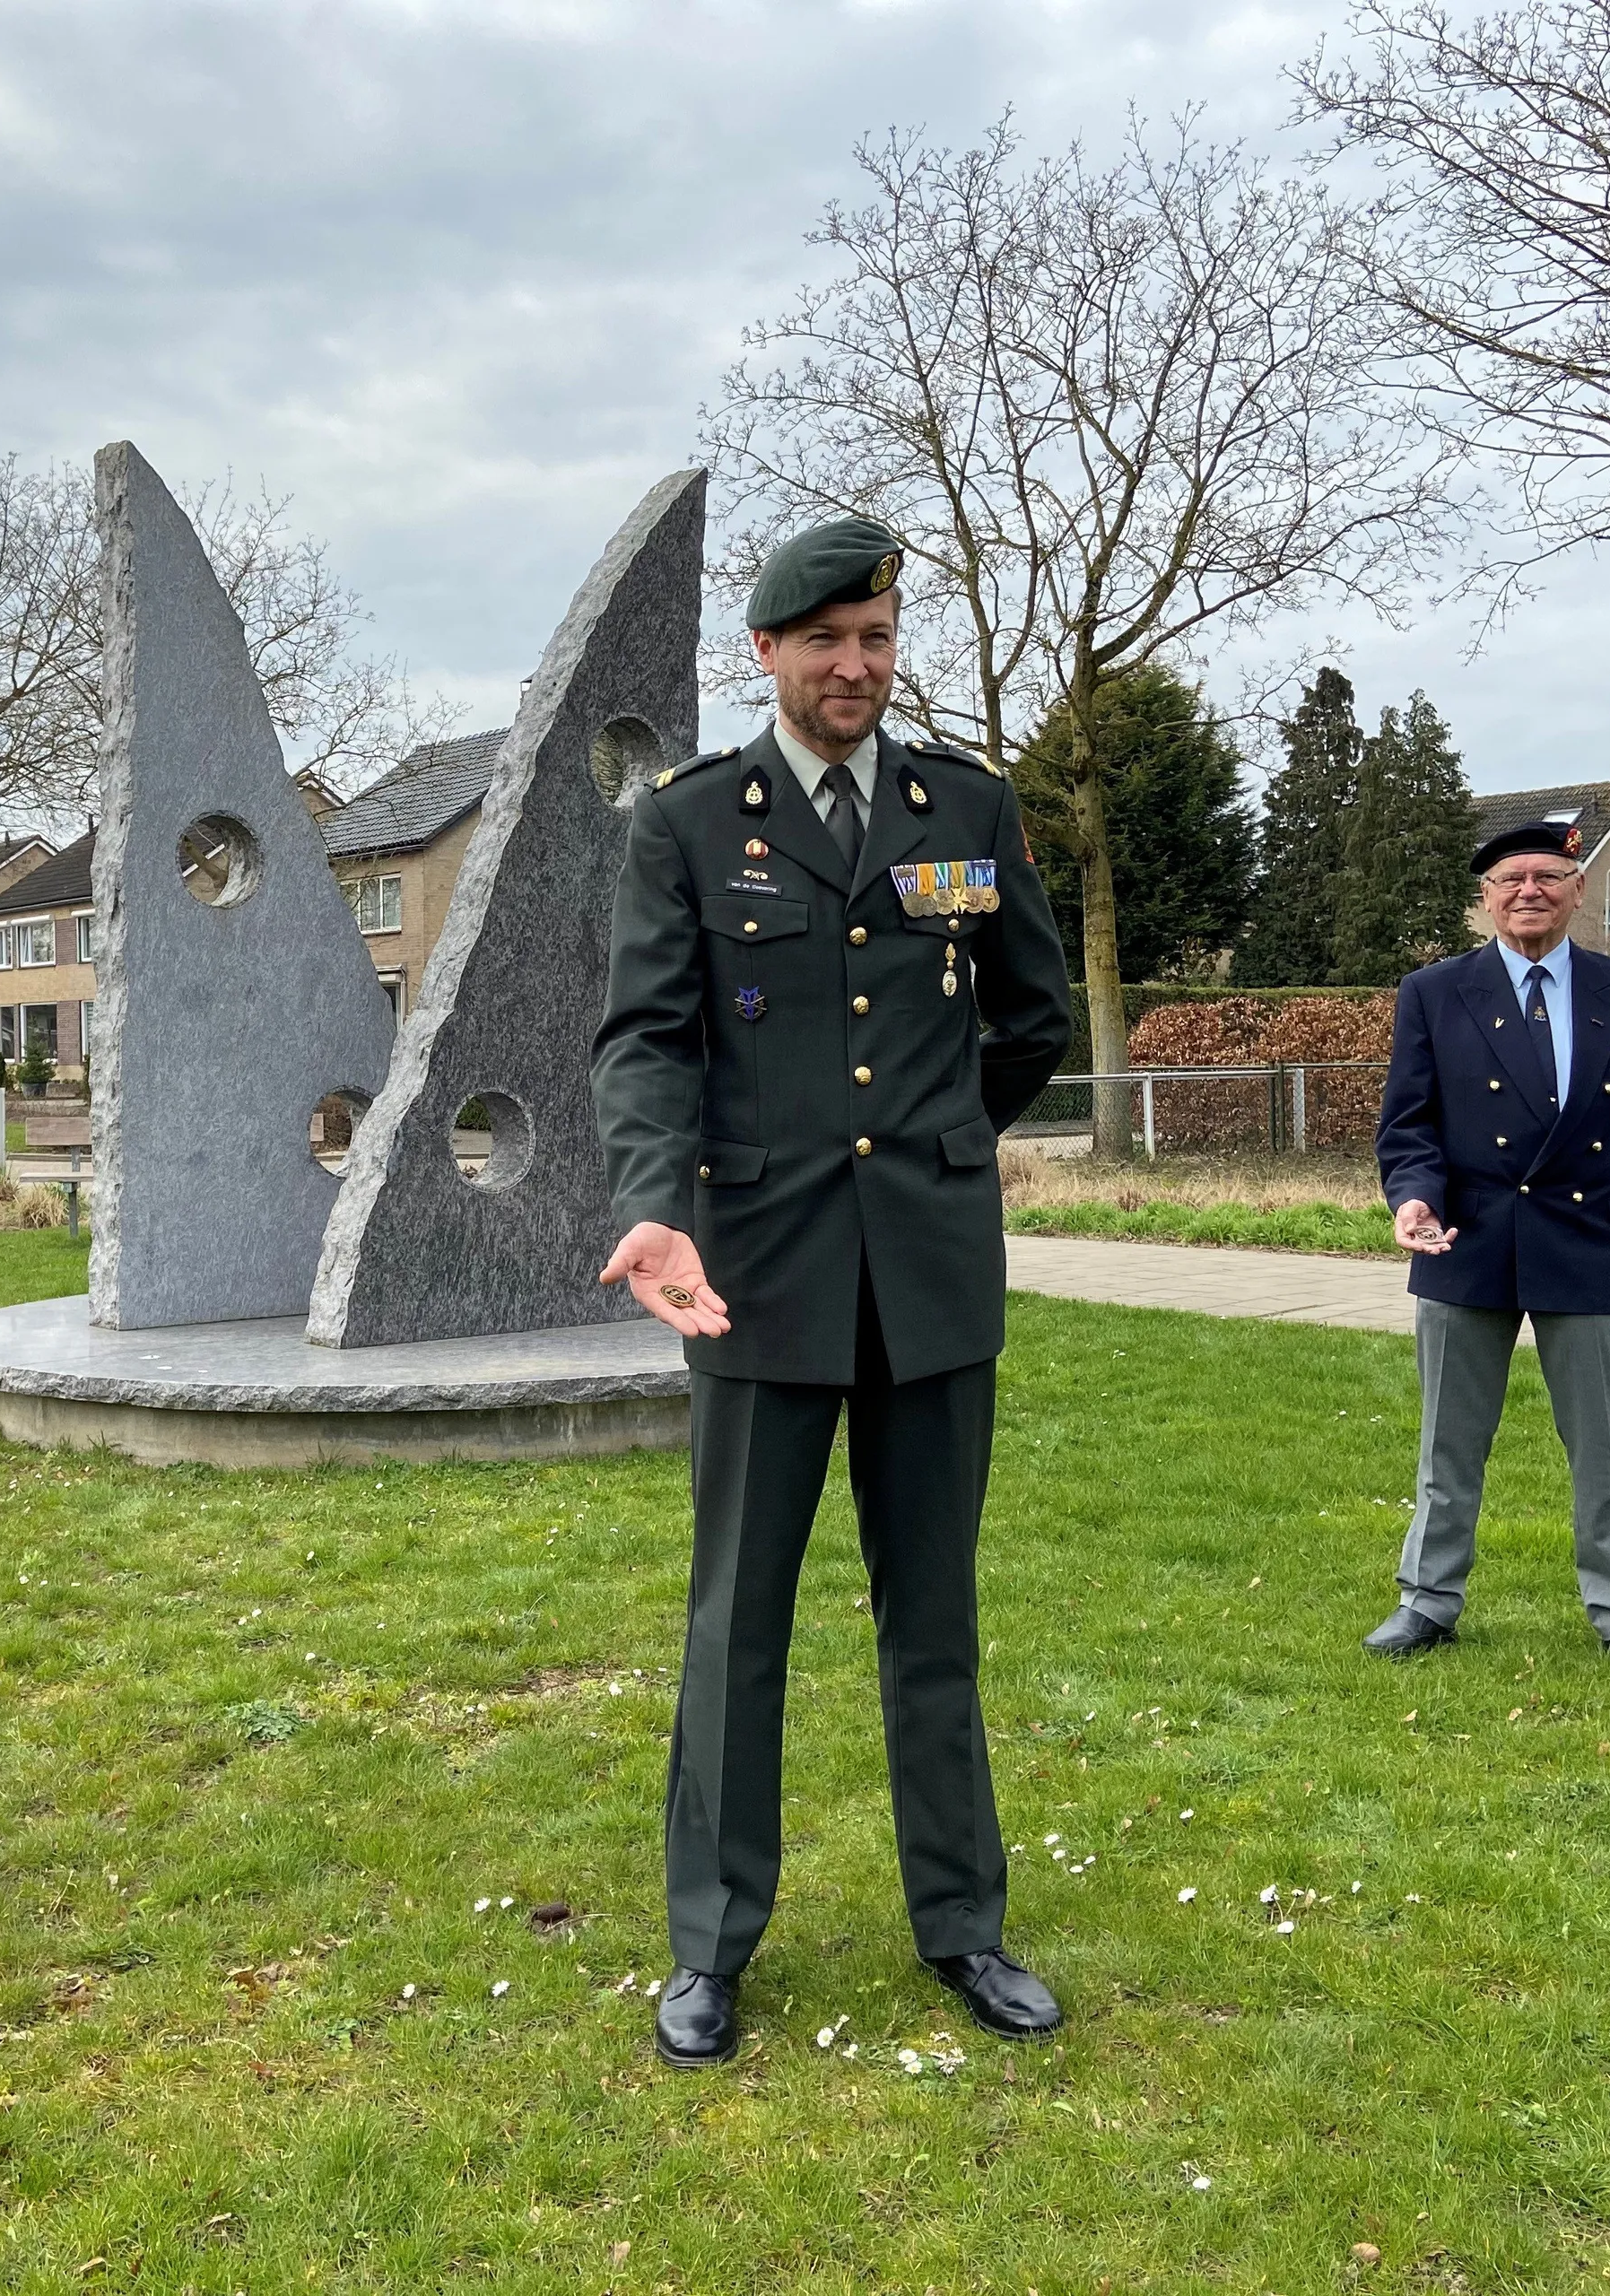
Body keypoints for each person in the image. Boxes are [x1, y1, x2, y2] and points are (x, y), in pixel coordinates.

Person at [590, 517, 1075, 2066]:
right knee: (738, 1618)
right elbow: (647, 1041)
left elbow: (1028, 1016)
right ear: (767, 654)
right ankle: (711, 1944)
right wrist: (659, 1209)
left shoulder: (967, 808)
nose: (855, 668)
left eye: (874, 638)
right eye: (825, 644)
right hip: (759, 1279)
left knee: (930, 1617)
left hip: (929, 1278)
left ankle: (963, 1925)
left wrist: (942, 1144)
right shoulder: (685, 825)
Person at [1368, 819, 1610, 1683]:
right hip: (1465, 1238)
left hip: (1589, 1235)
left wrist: (1607, 1176)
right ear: (1484, 897)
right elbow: (1408, 1125)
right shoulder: (1433, 992)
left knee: (1603, 1444)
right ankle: (1427, 1601)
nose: (1529, 891)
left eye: (1548, 877)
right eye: (1511, 878)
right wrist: (1414, 1198)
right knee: (1449, 1440)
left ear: (1577, 888)